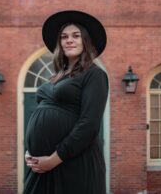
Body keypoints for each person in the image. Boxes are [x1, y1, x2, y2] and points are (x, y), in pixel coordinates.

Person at [24, 10, 108, 194]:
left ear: (86, 41)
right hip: (41, 165)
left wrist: (53, 159)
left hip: (73, 163)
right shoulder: (55, 77)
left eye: (76, 36)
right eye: (64, 37)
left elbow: (89, 125)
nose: (69, 40)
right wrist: (30, 151)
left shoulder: (95, 74)